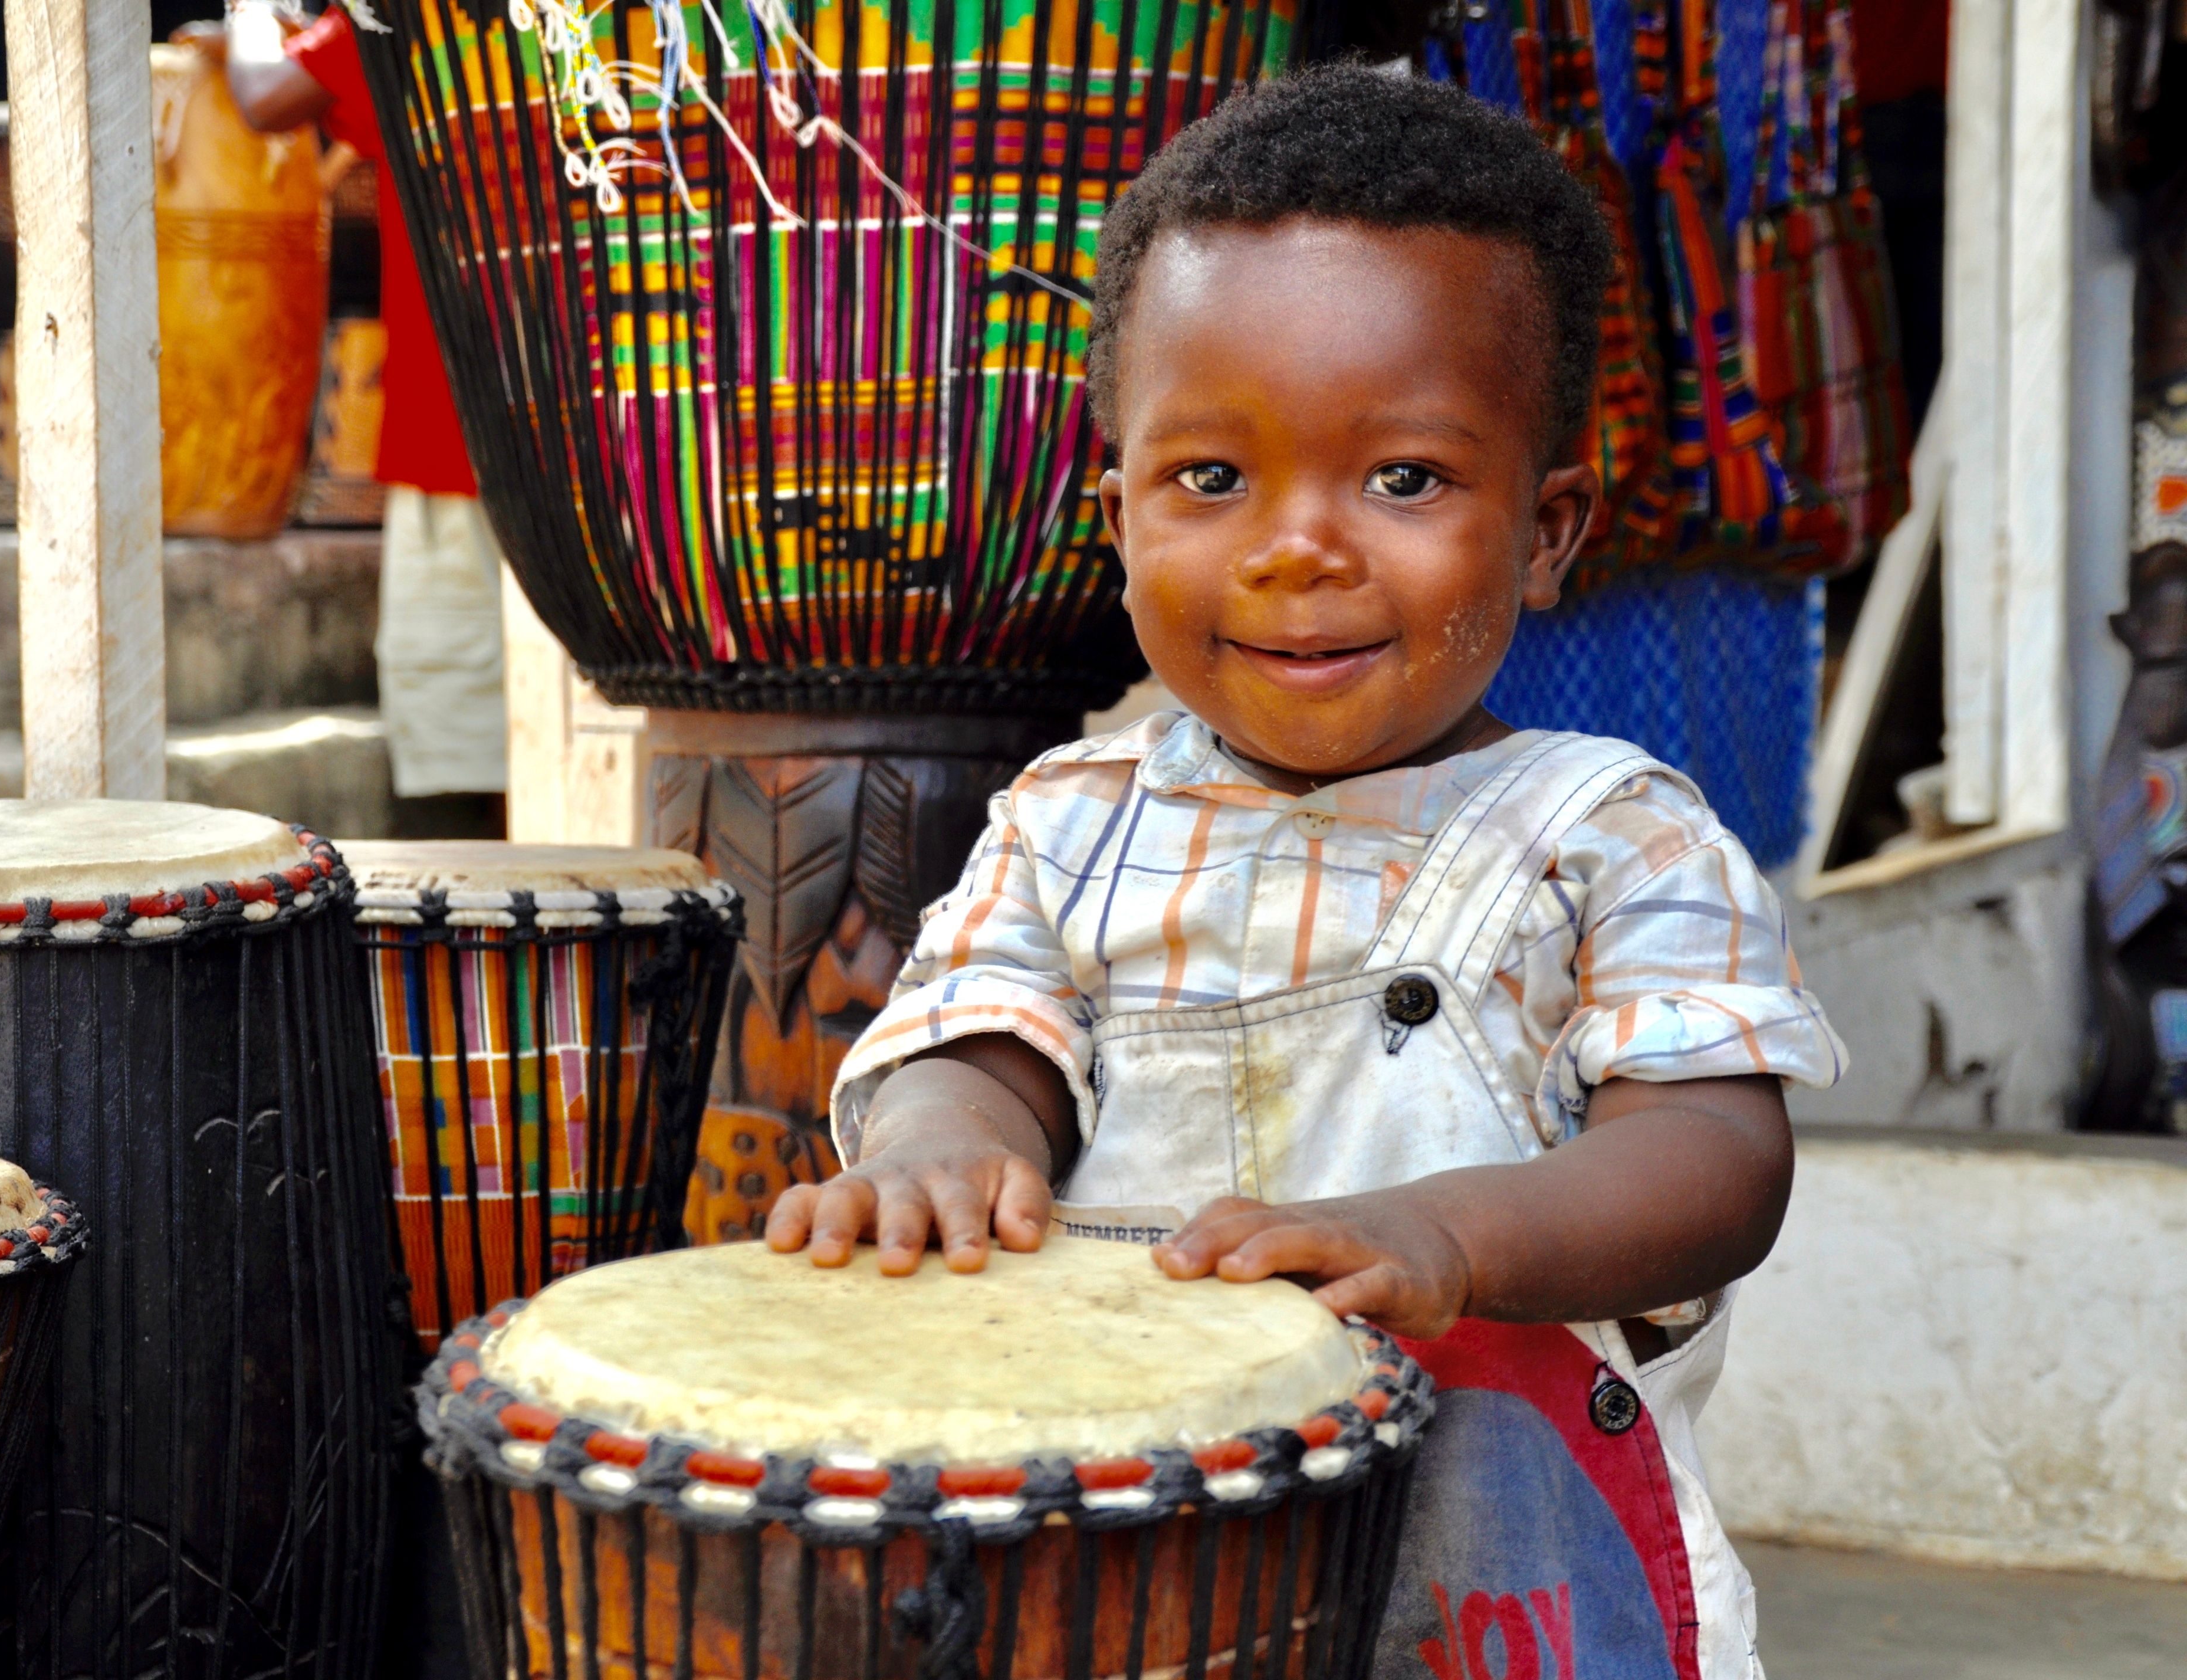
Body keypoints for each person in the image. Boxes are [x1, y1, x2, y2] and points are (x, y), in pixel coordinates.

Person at [767, 64, 1844, 1680]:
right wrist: (938, 1142)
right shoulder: (1067, 818)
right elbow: (983, 1040)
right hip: (1132, 1550)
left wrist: (1453, 1237)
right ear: (1117, 515)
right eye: (1213, 479)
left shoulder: (1614, 833)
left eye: (1403, 477)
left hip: (1503, 1581)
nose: (1298, 546)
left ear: (1548, 529)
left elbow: (1715, 1157)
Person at [205, 2, 510, 829]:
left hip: (463, 436)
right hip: (623, 447)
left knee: (468, 754)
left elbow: (266, 92)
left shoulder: (415, 13)